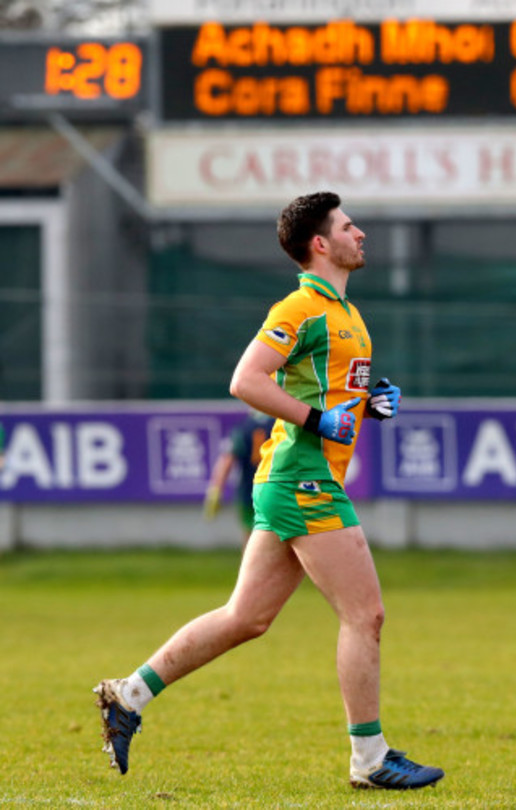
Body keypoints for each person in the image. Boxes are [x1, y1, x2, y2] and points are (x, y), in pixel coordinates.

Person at [93, 191, 444, 791]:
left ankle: (128, 695)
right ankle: (370, 759)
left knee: (245, 618)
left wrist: (369, 402)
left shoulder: (347, 314)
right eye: (349, 226)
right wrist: (316, 421)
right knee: (366, 615)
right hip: (302, 477)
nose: (360, 234)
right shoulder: (301, 307)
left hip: (298, 477)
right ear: (320, 243)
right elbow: (245, 380)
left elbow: (330, 391)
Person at [203, 409, 274, 546]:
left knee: (250, 537)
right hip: (274, 488)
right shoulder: (279, 426)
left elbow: (227, 461)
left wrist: (216, 490)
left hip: (249, 491)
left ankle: (250, 566)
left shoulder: (243, 427)